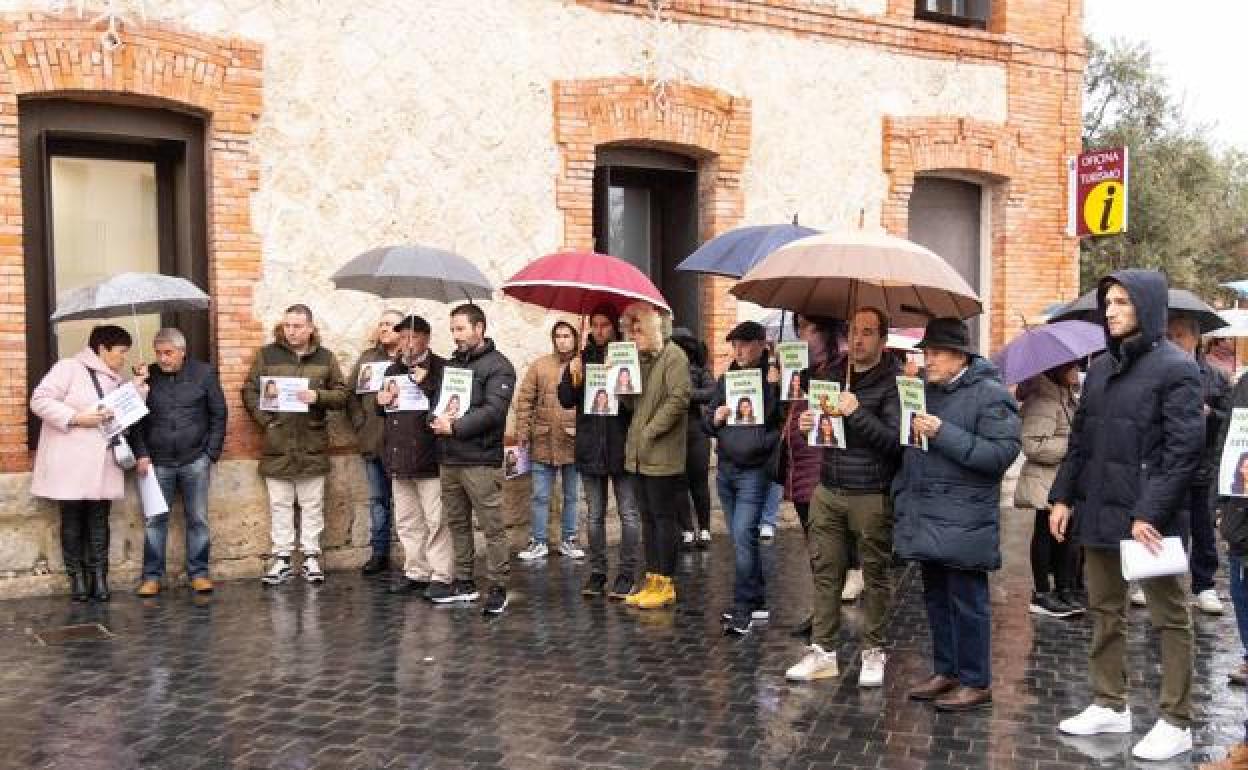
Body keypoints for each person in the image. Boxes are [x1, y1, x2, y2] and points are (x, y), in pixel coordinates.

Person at [1049, 269, 1203, 762]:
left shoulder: (1177, 368)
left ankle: (1177, 720)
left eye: (1121, 301)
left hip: (1148, 523)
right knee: (1104, 610)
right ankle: (1109, 703)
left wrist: (1149, 513)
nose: (1110, 310)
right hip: (1098, 513)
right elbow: (1081, 442)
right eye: (1107, 302)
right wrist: (1062, 496)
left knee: (1169, 618)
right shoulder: (1099, 368)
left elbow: (1183, 451)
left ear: (1147, 307)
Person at [892, 317, 1019, 710]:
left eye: (934, 353)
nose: (926, 360)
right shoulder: (926, 392)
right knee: (935, 598)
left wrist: (943, 432)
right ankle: (946, 670)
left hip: (964, 518)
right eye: (924, 352)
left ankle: (976, 680)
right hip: (927, 513)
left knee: (968, 601)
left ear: (959, 355)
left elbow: (1000, 454)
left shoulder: (990, 394)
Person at [786, 308, 902, 686]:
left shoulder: (892, 382)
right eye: (853, 330)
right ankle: (824, 651)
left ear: (882, 340)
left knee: (875, 574)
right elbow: (823, 433)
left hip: (870, 492)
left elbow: (895, 443)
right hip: (829, 486)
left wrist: (857, 412)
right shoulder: (832, 375)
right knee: (825, 570)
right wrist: (806, 427)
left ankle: (874, 651)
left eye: (868, 332)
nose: (858, 339)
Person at [30, 324, 146, 602]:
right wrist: (75, 418)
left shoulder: (117, 380)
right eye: (120, 352)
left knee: (98, 521)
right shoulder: (68, 367)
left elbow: (125, 417)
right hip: (70, 462)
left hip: (103, 462)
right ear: (102, 349)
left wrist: (139, 387)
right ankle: (77, 581)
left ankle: (100, 579)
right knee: (71, 522)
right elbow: (39, 400)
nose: (123, 358)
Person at [243, 304, 348, 586]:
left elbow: (341, 395)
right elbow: (250, 391)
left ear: (311, 328)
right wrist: (266, 421)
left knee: (312, 503)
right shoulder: (267, 355)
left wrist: (317, 396)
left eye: (298, 326)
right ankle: (282, 558)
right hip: (277, 441)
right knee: (280, 504)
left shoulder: (325, 358)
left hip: (311, 440)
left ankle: (312, 556)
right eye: (287, 325)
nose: (291, 331)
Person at [432, 303, 516, 615]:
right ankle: (464, 581)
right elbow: (440, 401)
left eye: (461, 329)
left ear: (479, 328)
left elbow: (494, 411)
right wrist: (436, 418)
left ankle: (498, 585)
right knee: (457, 523)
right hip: (450, 457)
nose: (455, 336)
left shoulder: (499, 366)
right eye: (453, 329)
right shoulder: (453, 364)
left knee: (491, 526)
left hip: (480, 460)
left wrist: (455, 426)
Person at [132, 327, 227, 597]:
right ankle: (151, 577)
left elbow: (219, 414)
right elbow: (135, 419)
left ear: (182, 352)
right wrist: (141, 453)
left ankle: (199, 573)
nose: (163, 359)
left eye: (168, 353)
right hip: (157, 461)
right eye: (159, 353)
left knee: (198, 518)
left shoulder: (204, 374)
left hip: (195, 459)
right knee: (155, 520)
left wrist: (210, 454)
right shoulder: (146, 376)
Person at [560, 304, 641, 599]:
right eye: (594, 324)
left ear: (615, 327)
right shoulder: (582, 358)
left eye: (604, 324)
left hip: (621, 446)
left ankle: (627, 572)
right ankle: (597, 572)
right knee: (594, 515)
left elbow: (636, 404)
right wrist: (571, 374)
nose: (598, 330)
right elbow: (566, 399)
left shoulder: (627, 355)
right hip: (591, 447)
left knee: (628, 513)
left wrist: (624, 381)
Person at [705, 320, 782, 634]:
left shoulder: (772, 378)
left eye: (745, 344)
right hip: (726, 468)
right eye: (734, 345)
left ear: (761, 345)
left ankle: (742, 608)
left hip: (753, 470)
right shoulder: (726, 380)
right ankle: (757, 600)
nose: (738, 350)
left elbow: (781, 422)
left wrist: (776, 386)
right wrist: (716, 418)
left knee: (741, 537)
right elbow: (705, 424)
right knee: (744, 538)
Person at [778, 314, 848, 641]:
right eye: (800, 328)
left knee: (824, 551)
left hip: (820, 472)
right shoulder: (811, 371)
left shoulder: (840, 369)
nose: (802, 335)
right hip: (800, 471)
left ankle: (824, 618)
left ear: (826, 332)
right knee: (815, 550)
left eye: (808, 328)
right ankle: (822, 612)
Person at [374, 315, 452, 600]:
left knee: (436, 519)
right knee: (407, 520)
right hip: (398, 454)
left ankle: (442, 574)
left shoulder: (442, 367)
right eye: (403, 337)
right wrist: (380, 403)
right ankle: (416, 571)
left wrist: (429, 382)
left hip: (430, 456)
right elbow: (386, 410)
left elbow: (451, 406)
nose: (407, 343)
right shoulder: (391, 370)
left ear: (426, 339)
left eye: (413, 337)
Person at [619, 301, 691, 610]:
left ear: (652, 329)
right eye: (631, 331)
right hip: (638, 453)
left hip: (662, 452)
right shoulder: (641, 360)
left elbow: (679, 398)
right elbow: (632, 405)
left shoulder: (674, 356)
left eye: (639, 330)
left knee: (664, 519)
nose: (634, 336)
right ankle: (651, 578)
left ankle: (666, 581)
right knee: (647, 518)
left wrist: (651, 429)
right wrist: (620, 383)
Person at [1168, 312, 1230, 615]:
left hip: (1203, 465)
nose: (1174, 341)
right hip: (1168, 464)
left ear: (1194, 339)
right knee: (1166, 524)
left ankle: (1204, 584)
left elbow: (1231, 421)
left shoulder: (1215, 376)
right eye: (1170, 335)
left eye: (1179, 335)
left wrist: (1210, 414)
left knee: (1203, 527)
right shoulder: (1159, 372)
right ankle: (1161, 580)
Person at [1015, 362, 1082, 619]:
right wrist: (1071, 446)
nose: (1077, 372)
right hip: (1046, 479)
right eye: (1072, 368)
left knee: (1062, 535)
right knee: (1045, 532)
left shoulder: (1065, 397)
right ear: (1059, 370)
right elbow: (1032, 445)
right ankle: (1042, 592)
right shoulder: (1044, 401)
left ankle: (1063, 589)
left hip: (1061, 478)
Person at [516, 321, 584, 562]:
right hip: (543, 439)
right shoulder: (540, 365)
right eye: (558, 336)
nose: (562, 340)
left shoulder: (582, 365)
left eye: (567, 336)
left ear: (575, 338)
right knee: (540, 495)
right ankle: (539, 541)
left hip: (573, 439)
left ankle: (569, 539)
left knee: (572, 495)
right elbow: (525, 400)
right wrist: (522, 432)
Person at [349, 310, 403, 576]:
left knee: (407, 501)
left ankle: (412, 554)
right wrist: (360, 421)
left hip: (404, 443)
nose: (384, 328)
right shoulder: (367, 359)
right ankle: (379, 553)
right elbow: (351, 395)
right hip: (372, 439)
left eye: (390, 324)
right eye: (381, 323)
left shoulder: (411, 359)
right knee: (378, 499)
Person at [671, 327, 715, 550]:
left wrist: (684, 396)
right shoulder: (667, 370)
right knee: (679, 483)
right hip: (674, 432)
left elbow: (711, 392)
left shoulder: (700, 370)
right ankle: (687, 530)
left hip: (697, 432)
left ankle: (705, 529)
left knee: (699, 483)